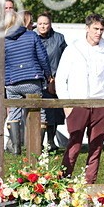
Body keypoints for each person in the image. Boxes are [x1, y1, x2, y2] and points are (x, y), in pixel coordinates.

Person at [55, 14, 104, 183]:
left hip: (100, 104)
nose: (99, 33)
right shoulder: (73, 49)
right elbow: (61, 79)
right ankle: (62, 181)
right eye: (96, 29)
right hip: (78, 104)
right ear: (87, 28)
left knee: (96, 146)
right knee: (74, 144)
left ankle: (90, 183)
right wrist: (67, 105)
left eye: (101, 29)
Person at [3, 9, 52, 155]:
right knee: (40, 112)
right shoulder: (32, 36)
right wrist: (48, 75)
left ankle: (16, 148)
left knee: (14, 113)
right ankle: (37, 148)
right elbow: (43, 58)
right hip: (32, 80)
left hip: (12, 83)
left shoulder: (3, 40)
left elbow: (1, 62)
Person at [35, 12, 68, 150]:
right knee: (41, 112)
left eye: (45, 23)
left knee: (54, 112)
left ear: (50, 24)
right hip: (38, 79)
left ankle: (51, 141)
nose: (43, 26)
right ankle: (37, 143)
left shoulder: (59, 38)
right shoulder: (33, 37)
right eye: (40, 24)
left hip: (56, 78)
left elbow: (66, 57)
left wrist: (56, 78)